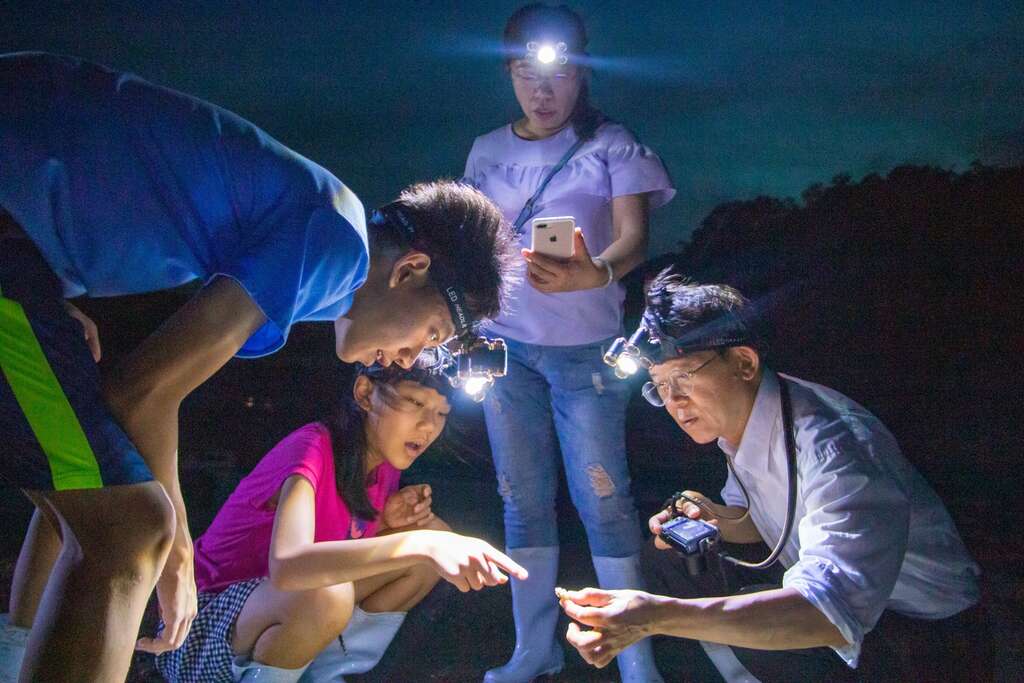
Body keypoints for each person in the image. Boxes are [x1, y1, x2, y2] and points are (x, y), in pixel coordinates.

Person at [0, 52, 516, 681]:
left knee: (90, 490)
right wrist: (180, 551)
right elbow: (144, 390)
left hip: (28, 253)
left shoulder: (324, 248)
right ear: (409, 269)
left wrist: (54, 298)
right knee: (134, 528)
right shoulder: (335, 243)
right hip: (11, 238)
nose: (408, 359)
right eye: (429, 334)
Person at [557, 269, 984, 681]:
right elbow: (762, 523)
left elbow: (828, 613)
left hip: (930, 635)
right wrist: (716, 518)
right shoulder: (748, 415)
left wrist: (652, 616)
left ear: (743, 362)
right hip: (870, 616)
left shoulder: (834, 445)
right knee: (675, 555)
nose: (674, 401)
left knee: (762, 628)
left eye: (684, 376)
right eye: (660, 386)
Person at [460, 4, 675, 681]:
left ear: (580, 75)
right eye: (526, 76)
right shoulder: (486, 151)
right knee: (520, 497)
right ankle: (533, 648)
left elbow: (634, 239)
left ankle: (636, 658)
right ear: (510, 76)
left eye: (555, 77)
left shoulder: (612, 143)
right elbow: (469, 242)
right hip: (504, 348)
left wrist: (596, 270)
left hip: (586, 349)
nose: (541, 92)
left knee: (603, 498)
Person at [153, 358, 527, 682]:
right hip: (194, 631)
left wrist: (386, 526)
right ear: (365, 393)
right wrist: (418, 544)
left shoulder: (382, 467)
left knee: (431, 539)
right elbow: (289, 567)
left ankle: (326, 676)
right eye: (415, 403)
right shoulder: (313, 447)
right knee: (333, 592)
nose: (428, 425)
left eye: (441, 413)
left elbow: (337, 552)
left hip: (266, 622)